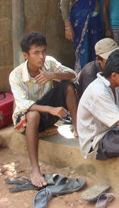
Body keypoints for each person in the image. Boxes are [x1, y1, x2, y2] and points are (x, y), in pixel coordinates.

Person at [9, 32, 78, 188]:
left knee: (67, 86)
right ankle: (35, 169)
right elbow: (24, 105)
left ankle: (78, 128)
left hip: (46, 114)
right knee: (33, 115)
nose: (42, 56)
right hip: (25, 120)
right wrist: (50, 109)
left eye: (44, 51)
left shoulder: (49, 63)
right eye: (36, 53)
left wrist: (52, 75)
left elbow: (72, 74)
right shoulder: (16, 75)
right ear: (26, 55)